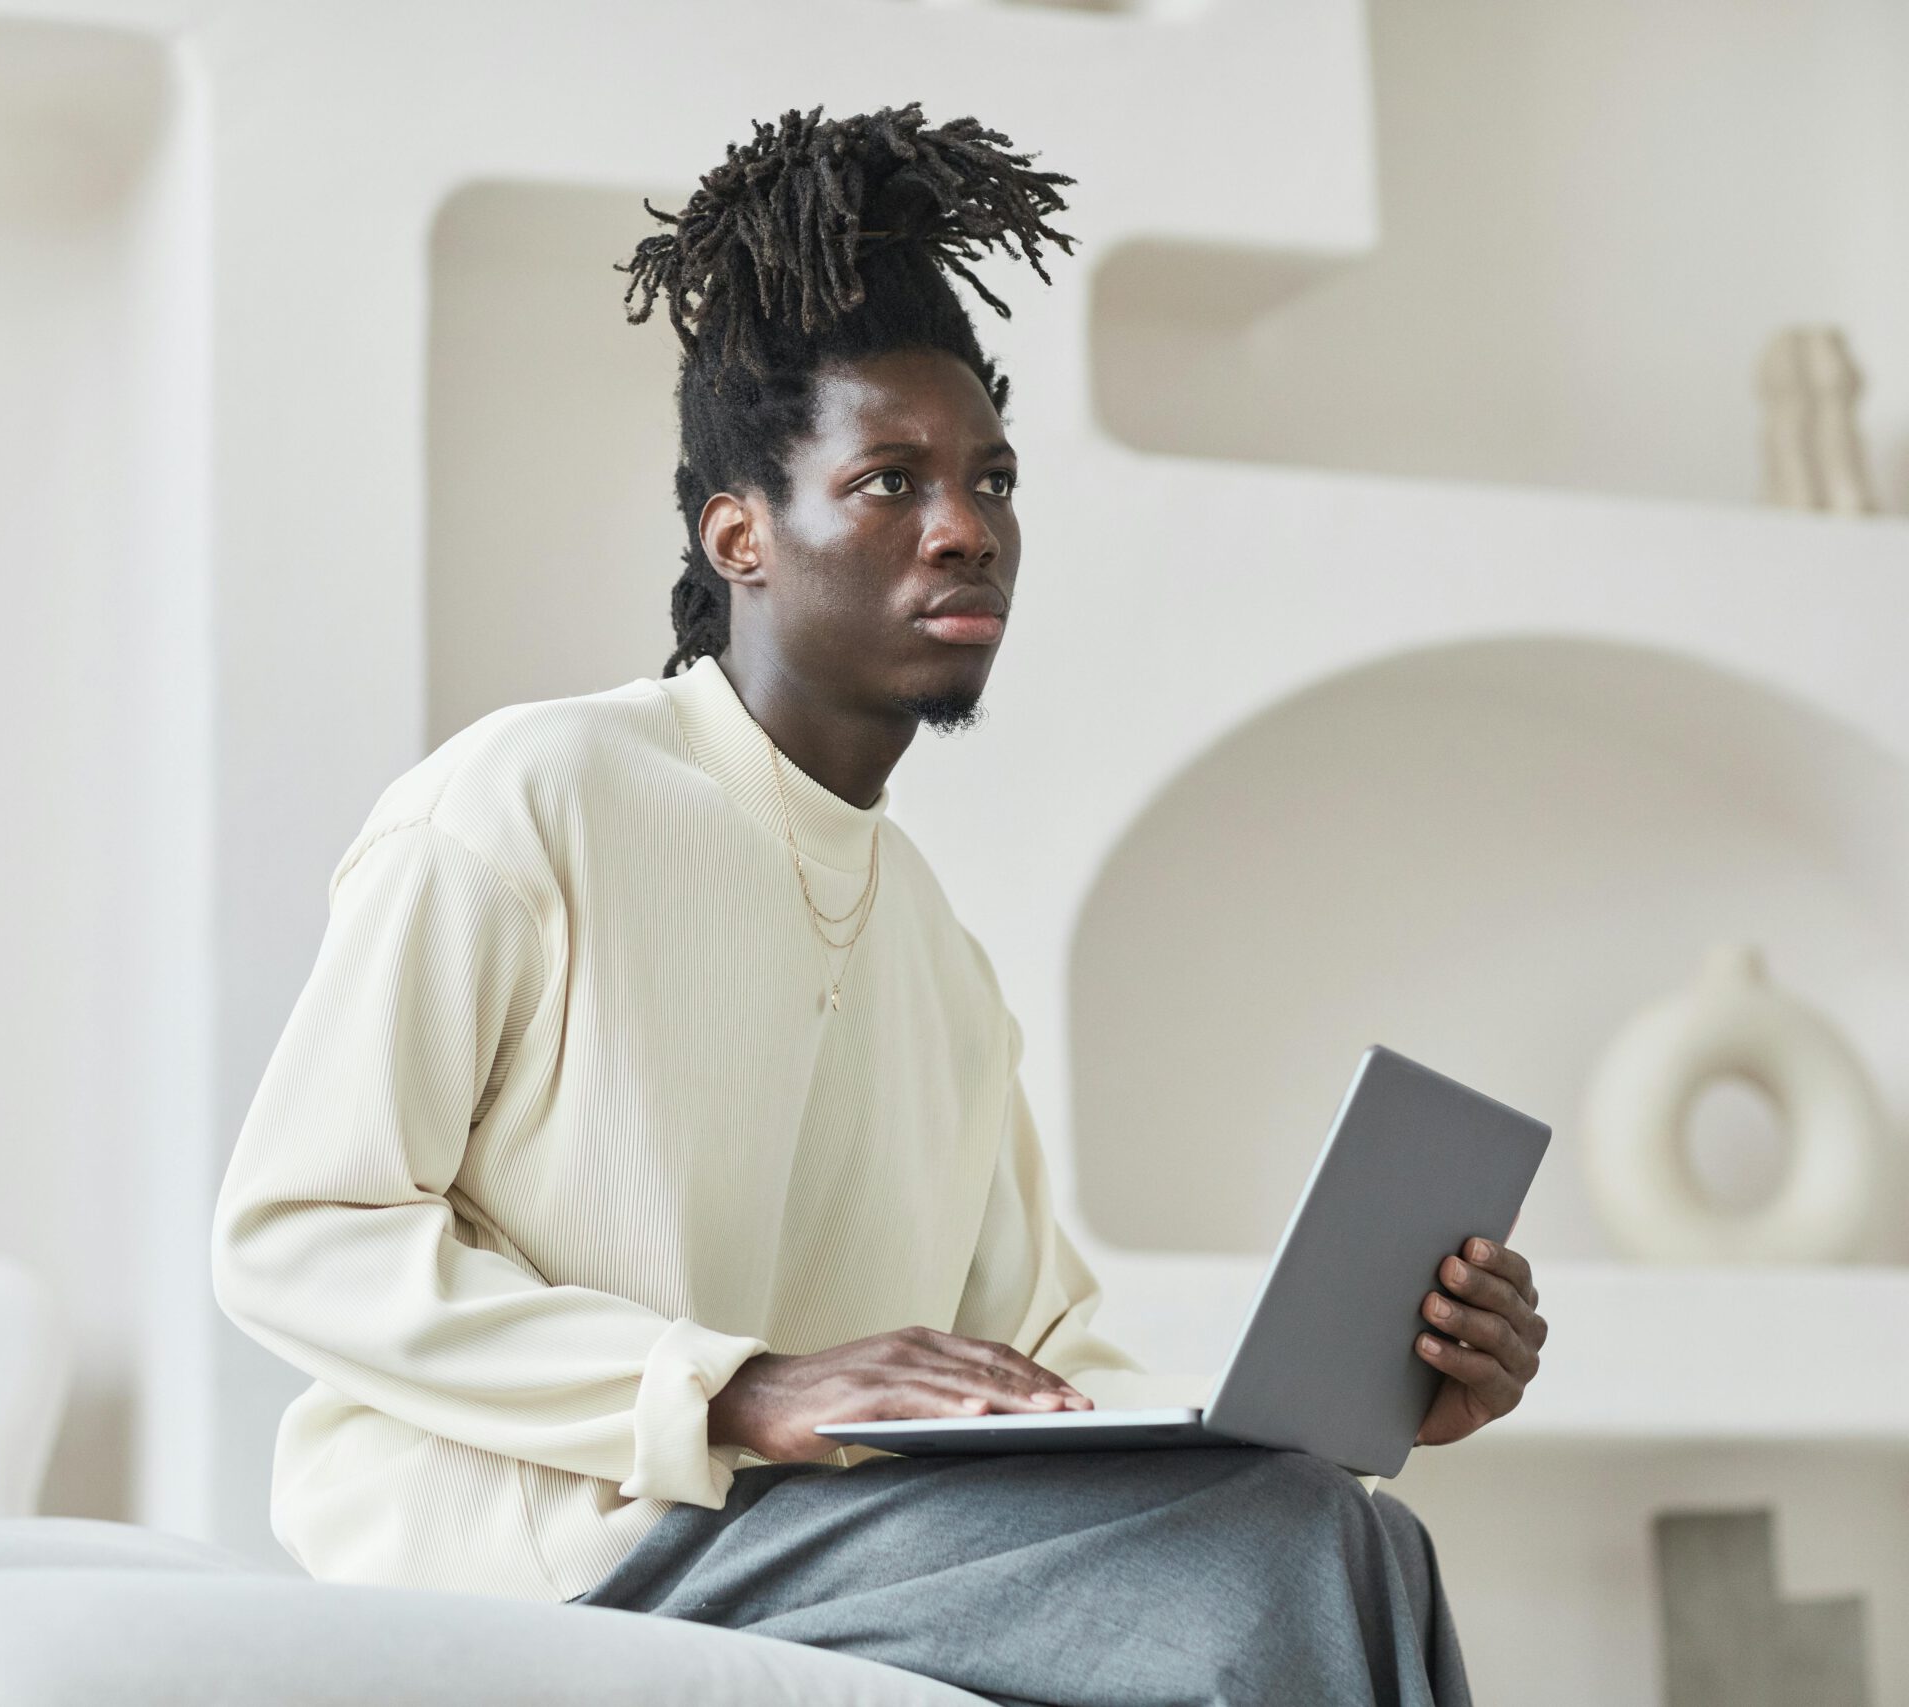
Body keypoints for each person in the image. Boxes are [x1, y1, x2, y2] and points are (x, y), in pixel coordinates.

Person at [211, 103, 1547, 1707]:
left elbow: (1039, 1361)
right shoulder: (528, 800)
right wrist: (734, 1388)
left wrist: (1369, 1404)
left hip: (826, 1528)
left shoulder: (939, 956)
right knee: (1290, 1557)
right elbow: (295, 1236)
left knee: (1348, 1531)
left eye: (989, 479)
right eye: (891, 481)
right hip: (573, 1536)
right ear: (741, 535)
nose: (967, 524)